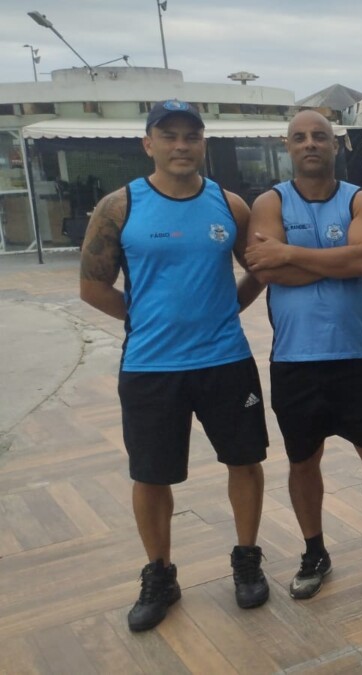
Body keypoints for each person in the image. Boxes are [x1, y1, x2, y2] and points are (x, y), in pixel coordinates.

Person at [78, 99, 270, 632]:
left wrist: (227, 308)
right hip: (150, 366)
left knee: (244, 461)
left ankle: (247, 559)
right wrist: (144, 319)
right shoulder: (119, 207)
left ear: (203, 142)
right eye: (169, 135)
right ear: (148, 144)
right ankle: (160, 574)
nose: (181, 145)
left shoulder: (230, 205)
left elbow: (260, 268)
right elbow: (93, 286)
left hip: (225, 361)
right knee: (150, 475)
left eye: (191, 135)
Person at [243, 110, 362, 600]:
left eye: (320, 136)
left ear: (336, 145)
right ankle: (314, 551)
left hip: (356, 355)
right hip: (294, 359)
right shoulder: (270, 202)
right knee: (302, 461)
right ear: (287, 147)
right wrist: (338, 263)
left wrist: (290, 252)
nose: (310, 143)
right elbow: (266, 271)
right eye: (300, 137)